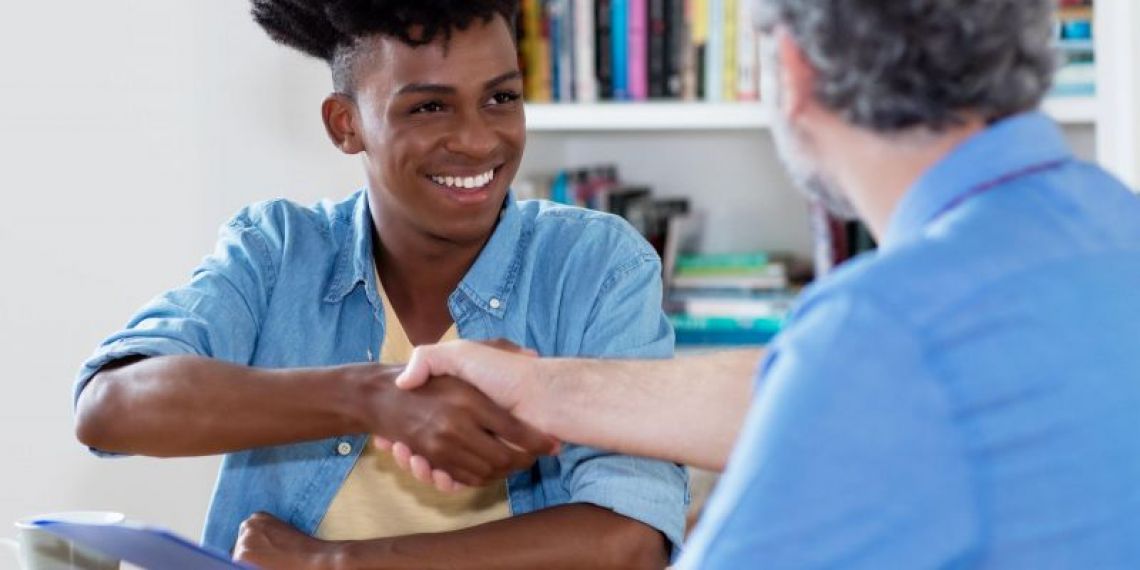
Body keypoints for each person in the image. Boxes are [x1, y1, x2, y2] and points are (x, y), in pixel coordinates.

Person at [390, 0, 1140, 567]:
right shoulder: (1110, 226)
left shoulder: (883, 332)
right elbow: (827, 393)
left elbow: (863, 379)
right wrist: (546, 388)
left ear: (793, 71)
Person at [72, 1, 687, 567]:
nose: (477, 139)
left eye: (501, 98)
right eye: (428, 106)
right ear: (346, 124)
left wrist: (338, 563)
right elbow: (110, 405)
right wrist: (375, 397)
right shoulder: (277, 251)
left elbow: (631, 540)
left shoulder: (598, 265)